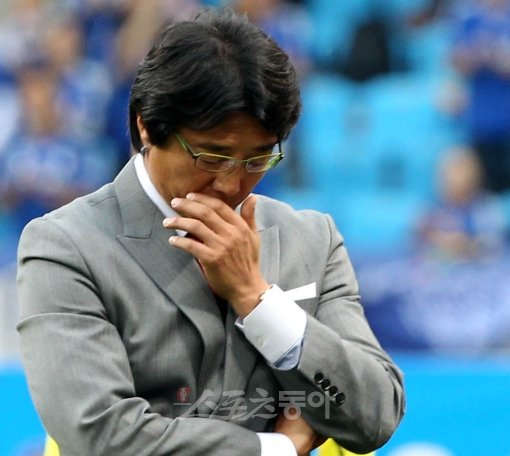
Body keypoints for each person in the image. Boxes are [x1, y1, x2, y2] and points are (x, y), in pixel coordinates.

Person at [17, 8, 405, 456]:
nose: (231, 182)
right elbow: (100, 435)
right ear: (146, 125)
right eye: (212, 157)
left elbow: (376, 415)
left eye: (258, 158)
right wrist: (278, 449)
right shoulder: (66, 246)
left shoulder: (312, 240)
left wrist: (257, 299)